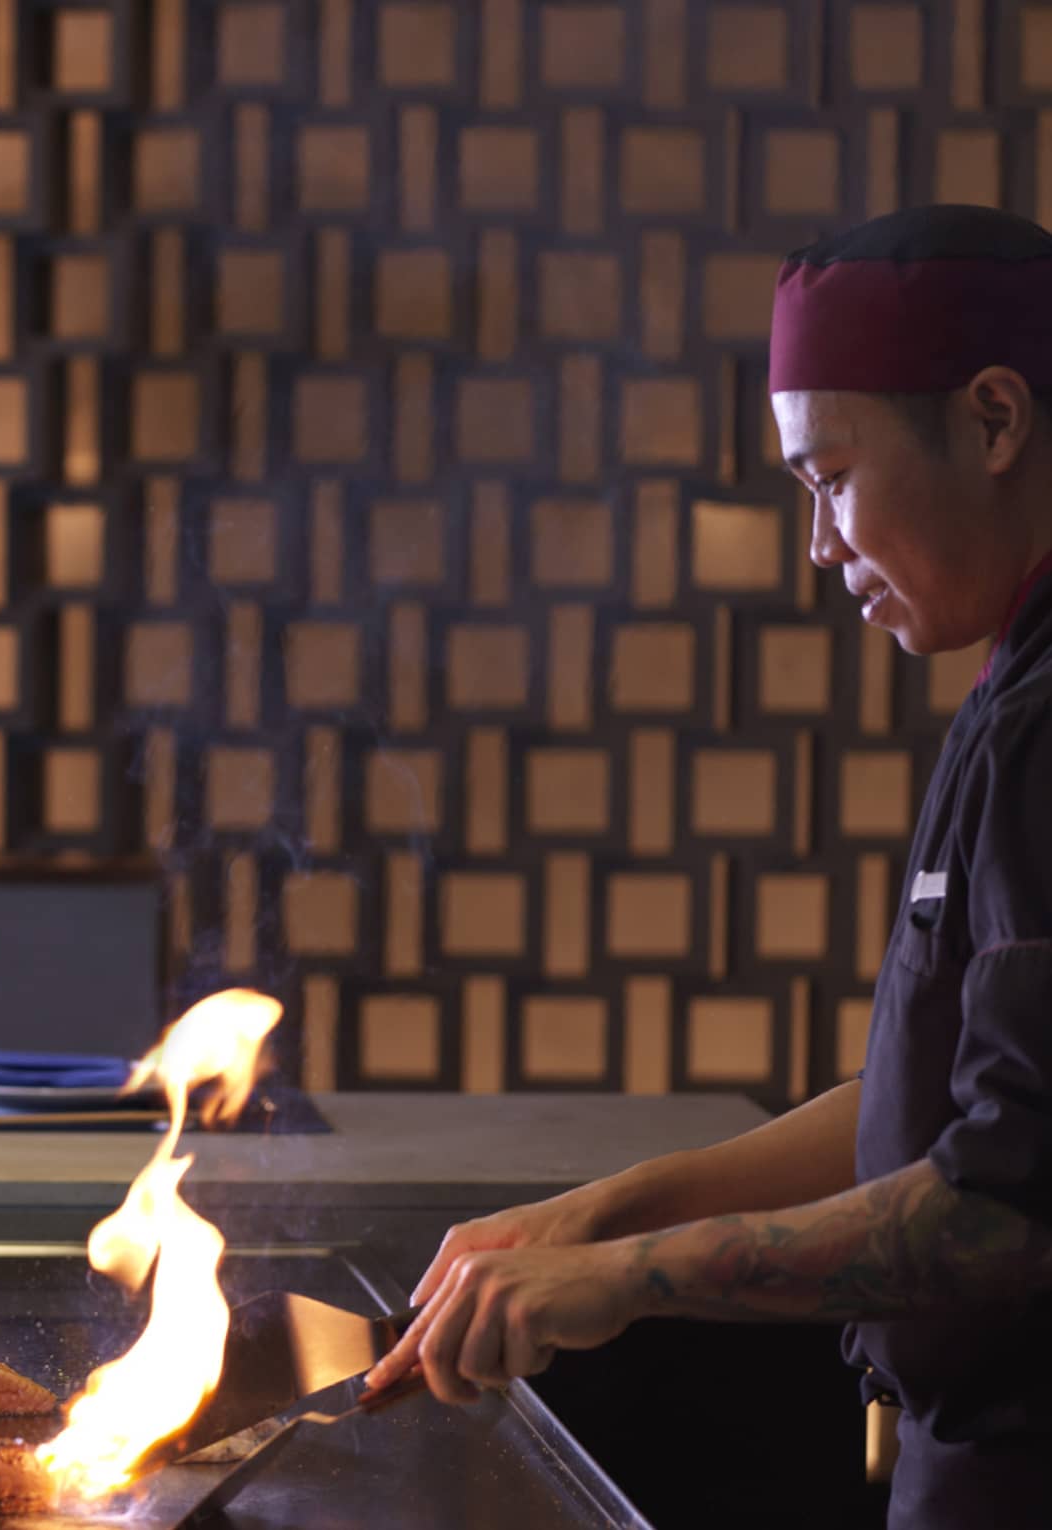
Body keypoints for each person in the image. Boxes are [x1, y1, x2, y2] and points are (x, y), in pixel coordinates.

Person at [365, 204, 1052, 1528]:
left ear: (992, 419)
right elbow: (932, 1106)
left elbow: (1006, 1207)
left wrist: (631, 1275)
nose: (817, 544)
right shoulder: (1005, 684)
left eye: (831, 478)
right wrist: (600, 1213)